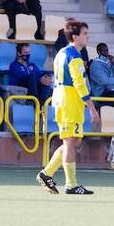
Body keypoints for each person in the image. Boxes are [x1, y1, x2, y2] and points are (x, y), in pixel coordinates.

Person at [36, 20, 98, 195]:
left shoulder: (62, 53)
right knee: (70, 142)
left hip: (62, 99)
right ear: (75, 36)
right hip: (69, 101)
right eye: (85, 33)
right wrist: (92, 108)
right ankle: (71, 184)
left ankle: (46, 173)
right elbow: (79, 83)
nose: (87, 36)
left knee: (72, 141)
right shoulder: (74, 56)